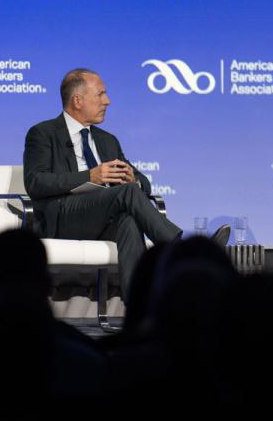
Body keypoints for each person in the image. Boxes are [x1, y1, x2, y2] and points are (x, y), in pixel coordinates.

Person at [23, 68, 229, 303]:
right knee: (128, 194)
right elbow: (35, 182)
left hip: (101, 217)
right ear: (77, 100)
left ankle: (138, 308)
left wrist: (135, 180)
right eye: (100, 94)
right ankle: (186, 253)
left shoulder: (107, 140)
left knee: (129, 222)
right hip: (62, 218)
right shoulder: (43, 133)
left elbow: (144, 184)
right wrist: (89, 176)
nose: (107, 101)